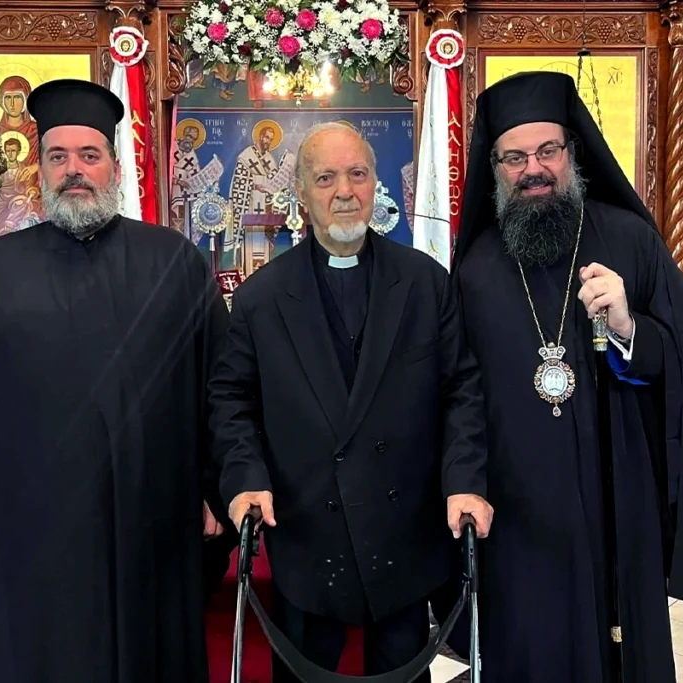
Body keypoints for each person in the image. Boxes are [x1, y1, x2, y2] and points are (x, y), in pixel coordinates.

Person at [0, 78, 232, 683]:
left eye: (89, 155)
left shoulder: (174, 263)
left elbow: (220, 387)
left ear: (112, 165)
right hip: (21, 536)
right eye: (58, 156)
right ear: (40, 170)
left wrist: (216, 486)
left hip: (145, 528)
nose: (73, 170)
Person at [449, 70, 683, 683]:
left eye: (548, 150)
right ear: (495, 167)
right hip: (516, 516)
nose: (534, 169)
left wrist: (630, 326)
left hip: (614, 499)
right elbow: (457, 394)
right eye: (515, 157)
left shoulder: (628, 239)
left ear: (571, 152)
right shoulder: (474, 271)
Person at [208, 121, 493, 682]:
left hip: (402, 535)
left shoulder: (424, 282)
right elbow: (231, 399)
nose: (344, 191)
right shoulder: (262, 297)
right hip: (308, 536)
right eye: (326, 177)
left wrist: (465, 481)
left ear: (375, 182)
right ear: (301, 191)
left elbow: (461, 389)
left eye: (357, 174)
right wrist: (244, 477)